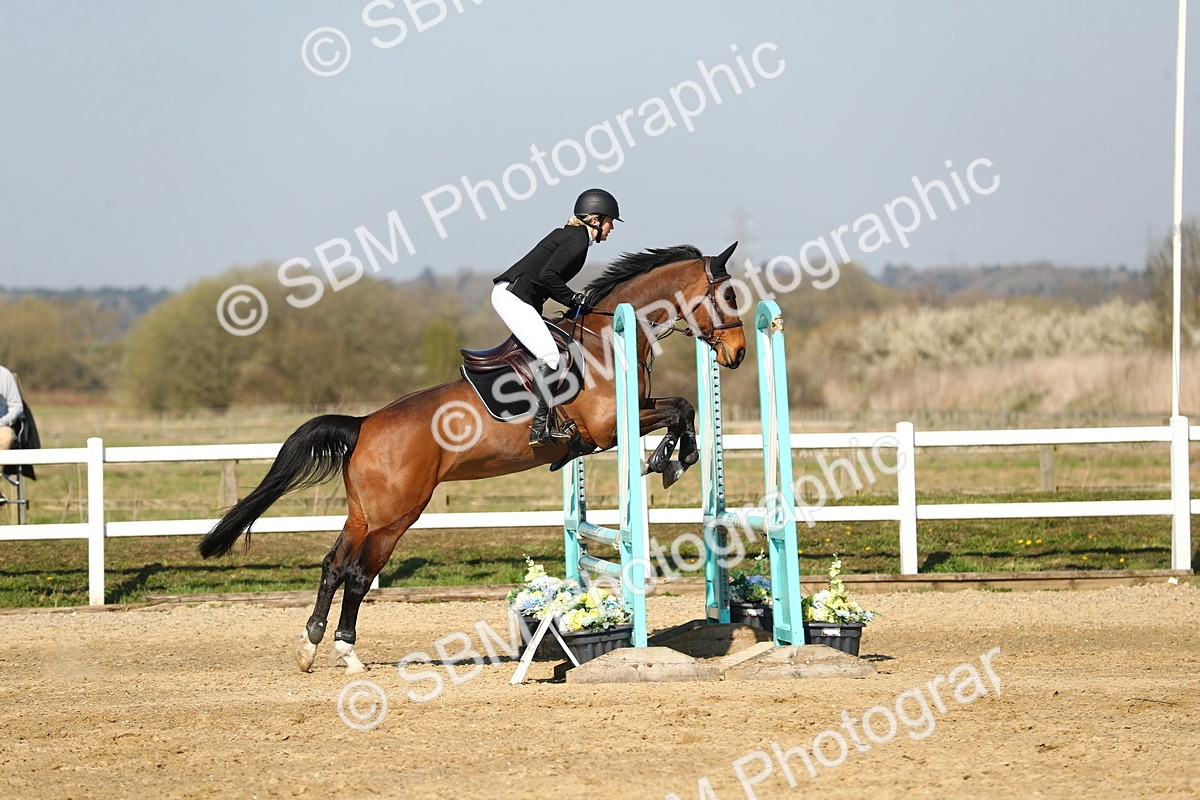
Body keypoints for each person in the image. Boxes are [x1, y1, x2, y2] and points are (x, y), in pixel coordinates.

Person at [492, 188, 622, 447]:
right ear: (595, 220)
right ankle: (539, 428)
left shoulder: (573, 236)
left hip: (516, 296)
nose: (611, 228)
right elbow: (548, 277)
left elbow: (547, 278)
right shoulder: (578, 239)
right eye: (610, 222)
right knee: (552, 356)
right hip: (513, 297)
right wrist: (573, 299)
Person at [0, 364, 24, 451]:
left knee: (6, 437)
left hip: (1, 426)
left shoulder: (4, 374)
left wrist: (3, 421)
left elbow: (16, 406)